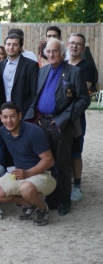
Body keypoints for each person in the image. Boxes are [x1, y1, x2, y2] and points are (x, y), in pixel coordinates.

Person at [25, 39, 90, 216]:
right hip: (42, 123)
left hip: (61, 124)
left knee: (62, 164)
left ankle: (64, 201)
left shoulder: (74, 72)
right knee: (47, 163)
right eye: (49, 51)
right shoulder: (43, 70)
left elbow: (84, 99)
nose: (52, 54)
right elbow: (36, 97)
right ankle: (51, 199)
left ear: (62, 53)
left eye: (55, 51)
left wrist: (65, 117)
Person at [0, 102, 56, 226]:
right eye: (5, 117)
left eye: (12, 116)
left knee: (26, 188)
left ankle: (42, 208)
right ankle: (28, 204)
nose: (9, 120)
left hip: (44, 174)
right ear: (0, 118)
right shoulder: (4, 130)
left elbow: (49, 160)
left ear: (20, 116)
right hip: (20, 173)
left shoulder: (33, 132)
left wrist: (28, 173)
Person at [67, 33, 97, 202]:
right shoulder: (63, 64)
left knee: (76, 151)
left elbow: (81, 92)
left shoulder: (87, 67)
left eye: (78, 44)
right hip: (59, 113)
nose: (75, 46)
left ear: (83, 48)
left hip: (76, 115)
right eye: (72, 43)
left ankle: (77, 186)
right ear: (67, 44)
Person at [0, 34, 39, 118]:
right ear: (5, 46)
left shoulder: (31, 65)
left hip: (23, 112)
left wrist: (32, 113)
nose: (11, 47)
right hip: (4, 111)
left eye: (15, 45)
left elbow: (35, 92)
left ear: (20, 47)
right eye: (8, 44)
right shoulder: (0, 65)